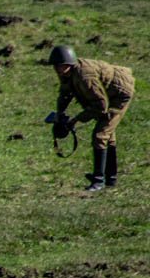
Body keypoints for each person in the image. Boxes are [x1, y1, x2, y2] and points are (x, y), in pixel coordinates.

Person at [49, 45, 135, 191]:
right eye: (55, 66)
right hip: (107, 94)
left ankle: (98, 180)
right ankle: (110, 178)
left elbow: (101, 105)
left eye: (60, 65)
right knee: (108, 136)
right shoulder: (67, 73)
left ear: (69, 64)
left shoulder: (85, 76)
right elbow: (65, 93)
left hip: (120, 94)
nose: (57, 69)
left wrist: (75, 120)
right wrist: (59, 114)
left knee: (100, 135)